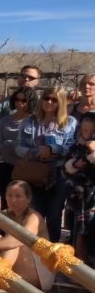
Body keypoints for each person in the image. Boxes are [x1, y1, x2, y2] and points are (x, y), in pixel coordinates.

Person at [16, 87, 77, 242]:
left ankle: (52, 251)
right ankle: (33, 251)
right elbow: (19, 148)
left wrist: (52, 149)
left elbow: (71, 147)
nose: (49, 102)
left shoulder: (69, 122)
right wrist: (37, 152)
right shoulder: (29, 121)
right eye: (46, 98)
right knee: (35, 214)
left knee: (54, 214)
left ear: (61, 102)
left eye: (54, 99)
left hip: (58, 173)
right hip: (34, 172)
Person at [0, 87, 33, 209]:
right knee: (7, 202)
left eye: (24, 100)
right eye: (17, 99)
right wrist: (11, 145)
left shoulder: (34, 121)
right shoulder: (5, 120)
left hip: (26, 167)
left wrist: (8, 144)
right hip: (5, 165)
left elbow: (31, 144)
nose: (20, 103)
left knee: (25, 204)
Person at [63, 112, 95, 264]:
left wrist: (91, 156)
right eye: (84, 131)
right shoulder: (76, 146)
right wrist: (74, 165)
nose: (88, 135)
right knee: (78, 231)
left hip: (92, 198)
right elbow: (66, 168)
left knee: (91, 230)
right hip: (78, 197)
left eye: (92, 131)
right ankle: (79, 265)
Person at [0, 65, 41, 135]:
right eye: (23, 76)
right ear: (18, 77)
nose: (26, 79)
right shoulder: (3, 104)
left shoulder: (43, 104)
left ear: (37, 81)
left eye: (31, 78)